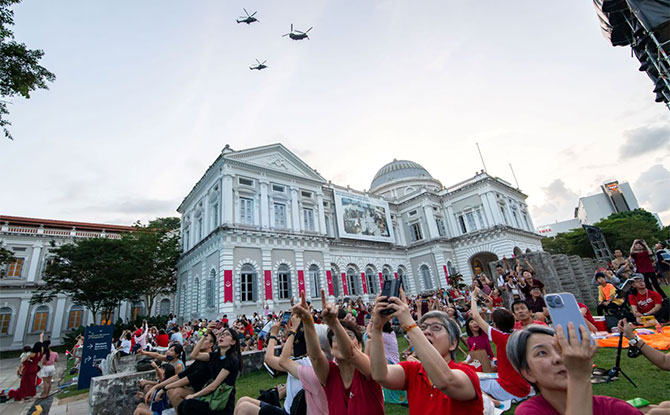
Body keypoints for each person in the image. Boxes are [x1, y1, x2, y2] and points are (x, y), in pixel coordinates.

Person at [368, 288, 484, 415]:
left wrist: (409, 325)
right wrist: (377, 329)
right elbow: (380, 375)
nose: (426, 332)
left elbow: (445, 381)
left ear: (453, 344)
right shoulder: (413, 371)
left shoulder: (467, 373)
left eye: (436, 328)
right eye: (423, 328)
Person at [507, 324, 643, 415]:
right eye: (542, 353)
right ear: (528, 373)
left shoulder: (615, 409)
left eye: (560, 348)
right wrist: (578, 377)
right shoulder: (531, 412)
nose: (558, 358)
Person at [295, 290, 384, 415]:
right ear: (331, 349)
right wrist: (308, 322)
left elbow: (350, 353)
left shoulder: (368, 368)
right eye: (335, 339)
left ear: (360, 345)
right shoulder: (330, 373)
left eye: (350, 336)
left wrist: (334, 323)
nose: (341, 342)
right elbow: (315, 357)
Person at [470, 288, 532, 402]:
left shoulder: (500, 337)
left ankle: (494, 402)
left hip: (509, 390)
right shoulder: (518, 332)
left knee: (471, 381)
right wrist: (491, 307)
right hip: (525, 387)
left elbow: (476, 316)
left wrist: (473, 297)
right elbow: (502, 319)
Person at [178, 326, 242, 415]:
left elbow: (214, 385)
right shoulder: (215, 356)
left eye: (226, 334)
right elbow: (194, 355)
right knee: (182, 406)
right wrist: (205, 334)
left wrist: (194, 396)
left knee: (188, 405)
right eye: (221, 334)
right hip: (211, 398)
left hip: (221, 404)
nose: (222, 336)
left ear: (233, 342)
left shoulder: (232, 360)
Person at [8, 332, 43, 401]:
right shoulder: (40, 353)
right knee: (32, 383)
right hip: (35, 369)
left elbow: (23, 361)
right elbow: (41, 345)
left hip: (28, 370)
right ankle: (32, 395)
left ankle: (23, 397)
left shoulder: (32, 354)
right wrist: (41, 337)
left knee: (24, 383)